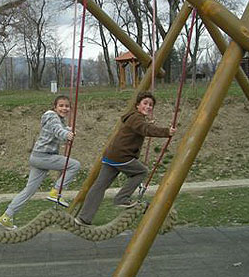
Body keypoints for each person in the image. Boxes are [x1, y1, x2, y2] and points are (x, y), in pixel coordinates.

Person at [74, 91, 175, 226]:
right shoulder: (136, 118)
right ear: (137, 105)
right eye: (145, 103)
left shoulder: (133, 117)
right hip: (122, 156)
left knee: (99, 186)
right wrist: (166, 132)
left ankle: (84, 218)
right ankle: (122, 198)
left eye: (151, 105)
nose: (148, 107)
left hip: (111, 156)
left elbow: (142, 126)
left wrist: (147, 123)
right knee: (141, 172)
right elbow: (145, 129)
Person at [0, 95, 80, 230]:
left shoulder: (59, 120)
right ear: (55, 107)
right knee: (74, 165)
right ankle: (56, 191)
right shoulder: (52, 117)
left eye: (67, 106)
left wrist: (68, 134)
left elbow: (58, 133)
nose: (64, 108)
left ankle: (6, 216)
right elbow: (58, 131)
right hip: (43, 157)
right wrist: (66, 134)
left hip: (38, 157)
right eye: (61, 105)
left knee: (29, 190)